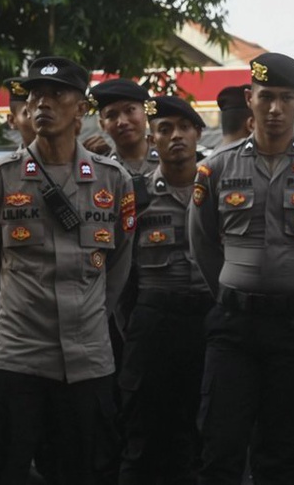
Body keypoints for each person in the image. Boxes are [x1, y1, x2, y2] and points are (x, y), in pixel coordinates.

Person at [0, 56, 136, 484]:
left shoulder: (112, 180)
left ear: (81, 108)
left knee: (83, 470)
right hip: (18, 352)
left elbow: (117, 264)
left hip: (88, 358)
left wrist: (92, 312)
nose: (43, 103)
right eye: (36, 94)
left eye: (57, 94)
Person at [188, 52, 294, 485]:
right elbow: (202, 240)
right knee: (220, 445)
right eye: (266, 97)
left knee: (279, 451)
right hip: (234, 325)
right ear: (250, 98)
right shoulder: (217, 167)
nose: (275, 109)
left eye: (285, 98)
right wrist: (228, 286)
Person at [118, 96, 212, 485]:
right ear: (152, 138)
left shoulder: (217, 189)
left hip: (209, 320)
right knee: (144, 429)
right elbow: (120, 270)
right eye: (165, 129)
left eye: (183, 128)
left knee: (205, 431)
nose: (175, 136)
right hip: (154, 321)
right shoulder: (136, 194)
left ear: (197, 133)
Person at [84, 78, 160, 178]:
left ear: (145, 113)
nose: (122, 122)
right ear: (102, 125)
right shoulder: (98, 168)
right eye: (111, 115)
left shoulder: (169, 159)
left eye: (130, 110)